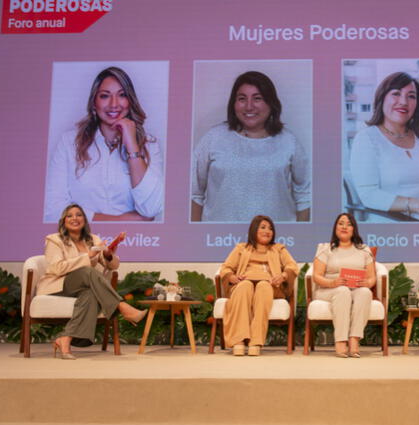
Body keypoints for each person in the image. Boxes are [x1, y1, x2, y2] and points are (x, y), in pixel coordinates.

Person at [44, 66, 164, 222]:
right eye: (105, 96)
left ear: (130, 101)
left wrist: (132, 146)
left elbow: (152, 208)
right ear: (94, 102)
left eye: (122, 95)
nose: (114, 104)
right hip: (82, 242)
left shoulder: (149, 144)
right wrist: (119, 221)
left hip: (135, 243)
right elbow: (53, 209)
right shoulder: (69, 143)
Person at [191, 71, 311, 222]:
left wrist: (299, 237)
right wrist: (195, 238)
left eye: (257, 99)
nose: (249, 106)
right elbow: (194, 193)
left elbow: (305, 195)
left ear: (271, 103)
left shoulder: (289, 141)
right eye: (242, 99)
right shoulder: (213, 138)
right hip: (220, 239)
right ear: (233, 104)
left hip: (275, 240)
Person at [349, 71, 419, 222]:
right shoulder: (366, 139)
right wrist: (418, 206)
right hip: (393, 223)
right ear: (382, 99)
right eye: (396, 93)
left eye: (411, 96)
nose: (403, 102)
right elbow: (369, 194)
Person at [37, 204, 148, 359]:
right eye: (70, 216)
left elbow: (112, 266)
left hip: (83, 285)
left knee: (90, 294)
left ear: (85, 219)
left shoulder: (93, 240)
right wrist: (87, 257)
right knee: (88, 270)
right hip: (59, 284)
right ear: (63, 221)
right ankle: (121, 306)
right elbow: (57, 268)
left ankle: (65, 339)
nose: (74, 218)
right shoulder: (54, 240)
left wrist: (108, 255)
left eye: (79, 215)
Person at [220, 215, 299, 356]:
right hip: (244, 282)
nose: (267, 231)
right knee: (245, 286)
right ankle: (239, 340)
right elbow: (226, 268)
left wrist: (283, 276)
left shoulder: (278, 249)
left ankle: (255, 341)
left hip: (270, 285)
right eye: (263, 227)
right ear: (254, 230)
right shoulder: (242, 248)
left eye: (270, 228)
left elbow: (292, 266)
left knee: (263, 286)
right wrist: (232, 276)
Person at [312, 213, 376, 357]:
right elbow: (316, 276)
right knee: (342, 291)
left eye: (349, 224)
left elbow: (372, 277)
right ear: (335, 227)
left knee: (365, 292)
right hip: (329, 289)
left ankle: (354, 339)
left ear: (354, 228)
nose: (344, 227)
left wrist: (368, 283)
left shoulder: (364, 249)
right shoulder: (326, 249)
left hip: (355, 288)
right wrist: (332, 282)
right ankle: (340, 341)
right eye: (341, 223)